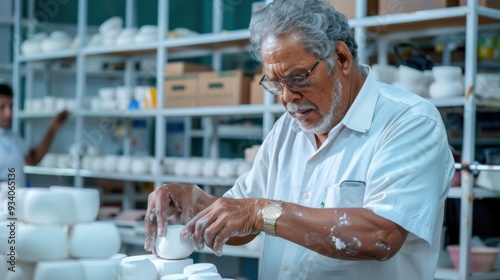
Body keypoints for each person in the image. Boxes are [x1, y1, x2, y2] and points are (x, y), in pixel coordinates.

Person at [144, 0, 454, 279]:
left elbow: (381, 236)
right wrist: (196, 205)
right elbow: (243, 221)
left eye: (297, 79)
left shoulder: (409, 121)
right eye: (275, 83)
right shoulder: (288, 130)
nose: (287, 97)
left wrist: (261, 212)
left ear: (342, 59)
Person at [0, 83, 69, 188]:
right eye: (2, 107)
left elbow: (33, 159)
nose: (8, 113)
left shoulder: (13, 138)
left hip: (14, 201)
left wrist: (52, 129)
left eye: (11, 106)